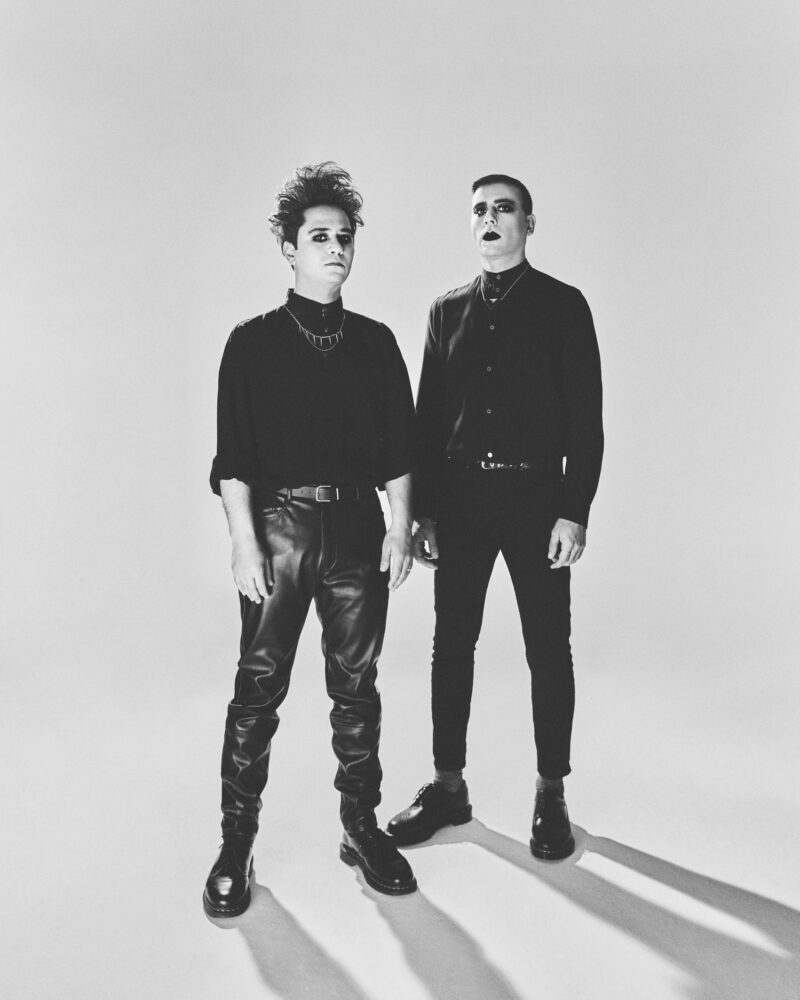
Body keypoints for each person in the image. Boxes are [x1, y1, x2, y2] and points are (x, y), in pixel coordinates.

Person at [204, 162, 418, 917]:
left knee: (357, 686)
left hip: (358, 529)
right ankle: (236, 843)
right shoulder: (252, 343)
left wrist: (401, 527)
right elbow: (233, 459)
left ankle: (361, 827)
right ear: (289, 249)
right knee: (258, 688)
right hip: (280, 529)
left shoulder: (377, 343)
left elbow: (400, 449)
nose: (336, 248)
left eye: (345, 237)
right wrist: (245, 543)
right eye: (320, 236)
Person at [387, 174, 603, 860]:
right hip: (460, 503)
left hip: (537, 500)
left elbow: (586, 421)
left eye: (504, 208)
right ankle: (448, 787)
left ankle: (551, 792)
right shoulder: (445, 311)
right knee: (451, 645)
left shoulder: (564, 306)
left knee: (548, 648)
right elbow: (426, 421)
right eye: (479, 209)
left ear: (528, 224)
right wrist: (423, 512)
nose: (490, 218)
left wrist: (573, 511)